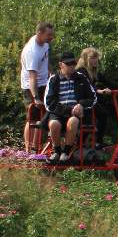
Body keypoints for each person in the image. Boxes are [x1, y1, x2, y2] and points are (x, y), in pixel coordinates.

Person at [44, 52, 97, 162]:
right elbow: (49, 103)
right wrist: (69, 110)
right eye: (68, 64)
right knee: (54, 124)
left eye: (73, 63)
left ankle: (66, 152)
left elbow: (93, 97)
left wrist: (81, 105)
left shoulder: (81, 78)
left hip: (76, 115)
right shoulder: (53, 79)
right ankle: (57, 151)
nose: (72, 66)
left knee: (72, 121)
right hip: (58, 113)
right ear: (61, 65)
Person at [75, 48, 118, 145]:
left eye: (96, 58)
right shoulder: (81, 72)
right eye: (92, 58)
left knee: (103, 115)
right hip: (81, 102)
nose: (95, 60)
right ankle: (80, 144)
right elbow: (88, 87)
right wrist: (100, 91)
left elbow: (108, 81)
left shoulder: (94, 72)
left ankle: (97, 142)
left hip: (90, 100)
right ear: (86, 59)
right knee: (90, 122)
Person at [20, 22, 55, 151]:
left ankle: (37, 146)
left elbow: (46, 60)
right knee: (32, 116)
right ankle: (29, 148)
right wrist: (35, 97)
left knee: (43, 116)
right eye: (49, 35)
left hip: (43, 83)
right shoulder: (32, 51)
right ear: (39, 33)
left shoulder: (45, 45)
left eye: (52, 34)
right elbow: (32, 77)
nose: (51, 37)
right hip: (31, 86)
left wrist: (53, 76)